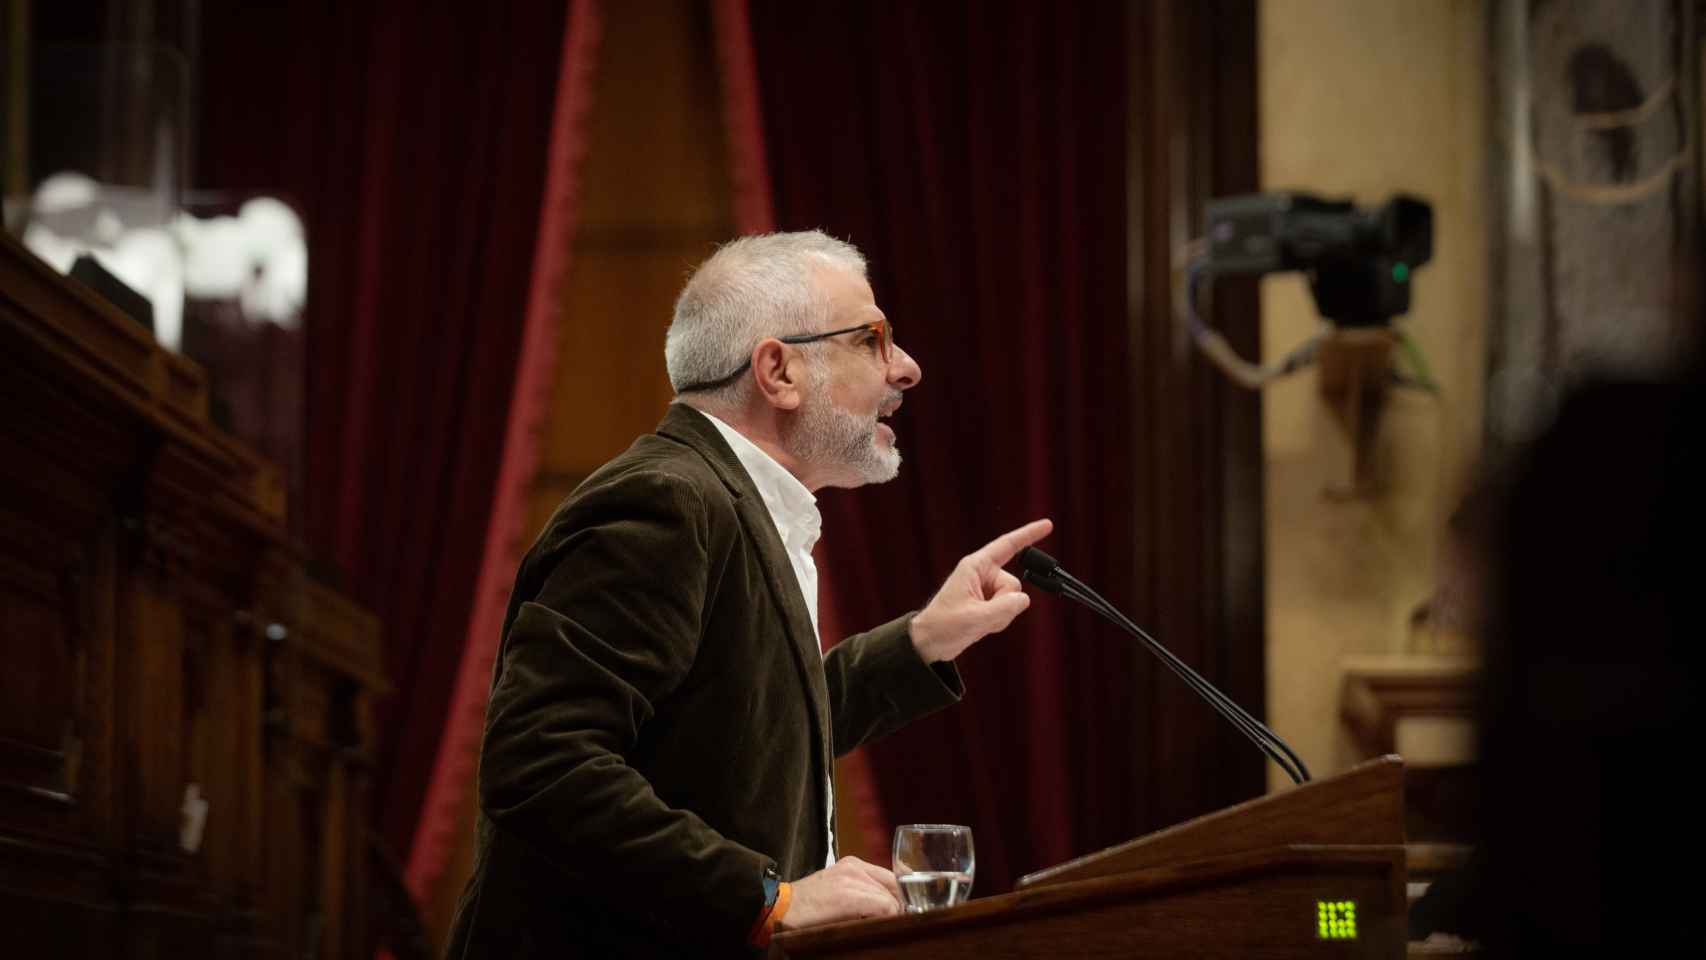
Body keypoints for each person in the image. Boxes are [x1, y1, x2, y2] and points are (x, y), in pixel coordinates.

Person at [444, 231, 1052, 958]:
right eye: (873, 340)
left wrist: (924, 640)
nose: (908, 368)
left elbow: (750, 734)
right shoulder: (664, 504)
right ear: (778, 370)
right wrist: (771, 897)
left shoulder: (738, 509)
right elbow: (541, 763)